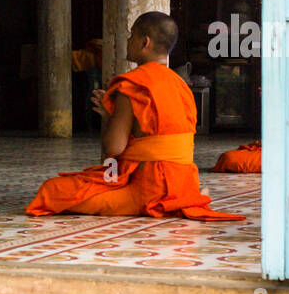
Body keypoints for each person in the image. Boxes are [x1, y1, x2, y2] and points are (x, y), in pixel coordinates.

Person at [26, 11, 245, 221]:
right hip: (183, 181)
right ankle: (186, 197)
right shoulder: (181, 84)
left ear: (144, 42)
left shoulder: (133, 84)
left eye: (132, 35)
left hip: (147, 188)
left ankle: (170, 203)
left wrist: (108, 117)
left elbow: (113, 148)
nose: (128, 41)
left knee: (52, 190)